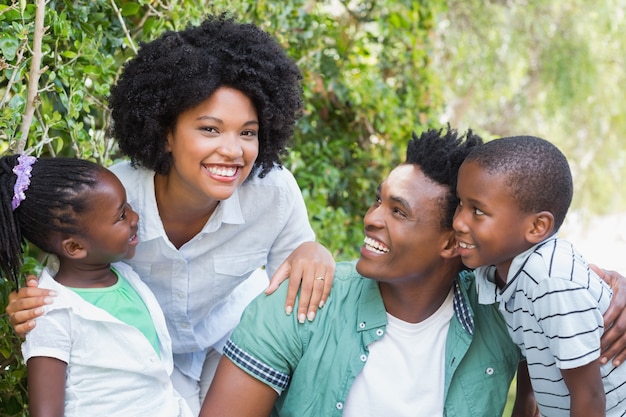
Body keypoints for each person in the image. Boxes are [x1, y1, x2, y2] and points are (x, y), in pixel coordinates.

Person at [5, 14, 335, 415]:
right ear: (165, 133)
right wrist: (33, 305)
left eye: (247, 132)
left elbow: (301, 267)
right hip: (149, 358)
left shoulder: (273, 192)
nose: (233, 151)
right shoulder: (113, 198)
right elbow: (66, 281)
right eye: (210, 129)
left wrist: (314, 250)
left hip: (231, 342)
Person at [199, 127, 532, 417]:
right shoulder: (299, 304)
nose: (371, 218)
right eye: (379, 200)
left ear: (451, 242)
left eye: (398, 212)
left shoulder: (504, 315)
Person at [0, 155, 192, 417]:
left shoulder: (125, 277)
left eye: (129, 206)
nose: (135, 218)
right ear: (75, 247)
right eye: (121, 216)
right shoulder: (51, 313)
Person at [453, 135, 626, 416]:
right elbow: (534, 347)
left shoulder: (549, 279)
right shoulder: (505, 271)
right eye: (460, 204)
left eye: (478, 211)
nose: (458, 221)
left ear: (537, 227)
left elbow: (589, 395)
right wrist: (523, 406)